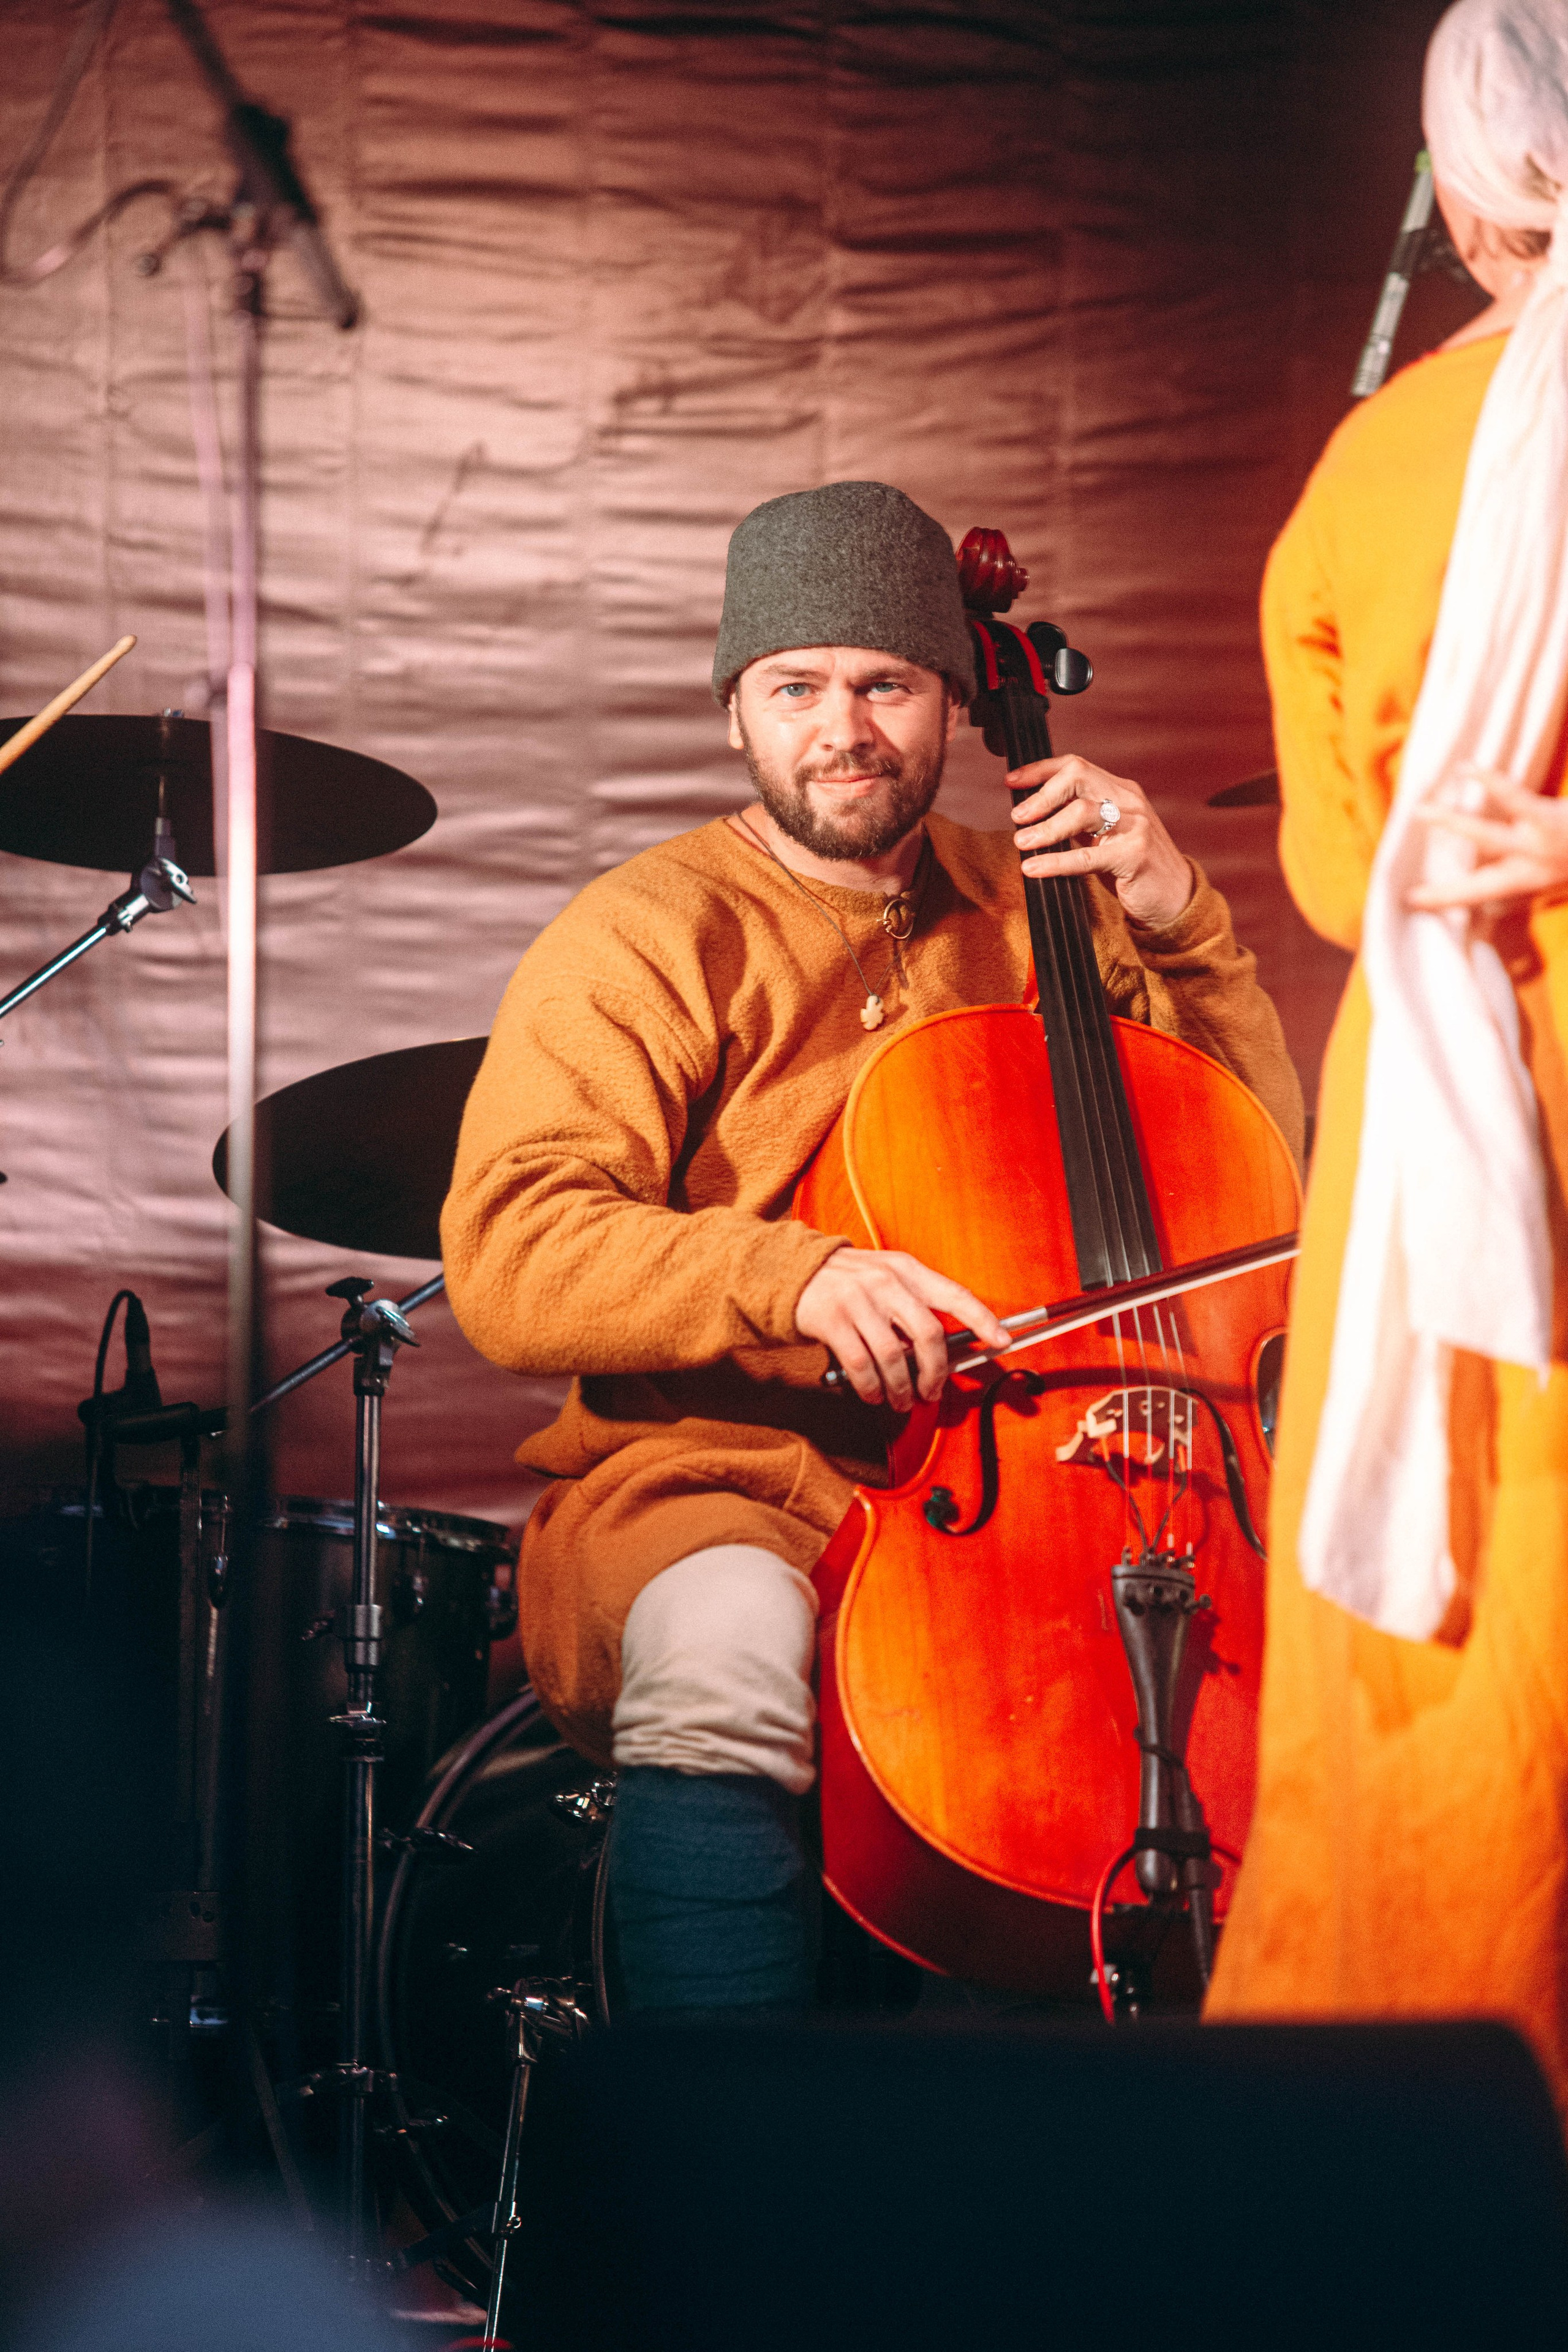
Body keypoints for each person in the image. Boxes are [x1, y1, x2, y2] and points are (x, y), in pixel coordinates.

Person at [442, 478, 1303, 2016]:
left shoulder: (1047, 902)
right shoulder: (649, 931)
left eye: (886, 684)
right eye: (796, 687)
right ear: (735, 714)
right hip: (720, 1481)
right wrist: (791, 1276)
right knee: (726, 1647)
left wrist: (1180, 922)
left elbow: (1253, 1177)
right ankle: (733, 2146)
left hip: (1051, 1460)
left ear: (955, 702)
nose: (842, 726)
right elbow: (513, 1248)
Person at [1206, 0, 1568, 2120]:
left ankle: (1395, 2156)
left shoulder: (1370, 468)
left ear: (1449, 184)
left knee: (1435, 1662)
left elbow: (1345, 870)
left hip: (1434, 1121)